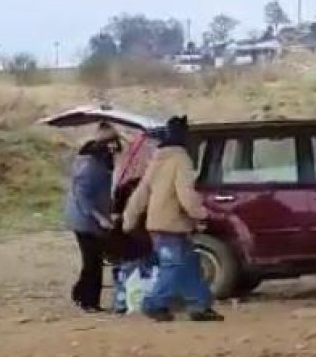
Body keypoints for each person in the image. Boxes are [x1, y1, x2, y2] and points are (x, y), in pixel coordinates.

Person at [122, 116, 224, 322]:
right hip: (172, 224)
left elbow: (141, 193)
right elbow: (185, 194)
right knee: (173, 266)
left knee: (189, 265)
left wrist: (129, 219)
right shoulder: (181, 159)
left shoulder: (157, 160)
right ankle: (153, 304)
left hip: (157, 224)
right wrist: (201, 214)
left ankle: (199, 305)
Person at [64, 133, 119, 313]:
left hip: (84, 220)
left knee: (92, 260)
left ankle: (81, 293)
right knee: (93, 262)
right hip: (85, 222)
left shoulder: (90, 165)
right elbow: (83, 196)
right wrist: (100, 217)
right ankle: (88, 301)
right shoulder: (90, 168)